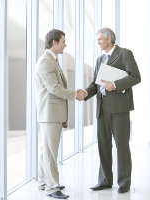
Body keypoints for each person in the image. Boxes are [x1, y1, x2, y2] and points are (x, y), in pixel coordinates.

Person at [84, 27, 141, 194]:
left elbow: (135, 76)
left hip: (119, 108)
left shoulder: (124, 54)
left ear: (110, 39)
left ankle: (124, 181)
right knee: (103, 145)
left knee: (122, 145)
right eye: (97, 40)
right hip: (102, 108)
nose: (98, 42)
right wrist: (85, 93)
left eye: (100, 39)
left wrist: (114, 85)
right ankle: (105, 180)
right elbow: (96, 84)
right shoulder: (100, 59)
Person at [35, 29, 85, 199]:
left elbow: (56, 88)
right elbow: (54, 89)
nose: (65, 45)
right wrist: (75, 94)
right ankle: (52, 187)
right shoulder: (45, 62)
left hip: (54, 114)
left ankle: (44, 181)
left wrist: (64, 117)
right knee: (50, 151)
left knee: (46, 150)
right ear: (54, 43)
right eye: (63, 41)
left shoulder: (52, 61)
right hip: (49, 114)